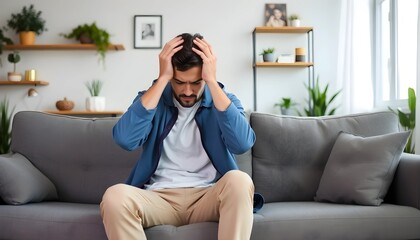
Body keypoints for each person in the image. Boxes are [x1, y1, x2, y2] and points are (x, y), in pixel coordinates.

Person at [100, 33, 258, 240]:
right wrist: (163, 78)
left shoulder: (224, 101)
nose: (187, 91)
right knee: (114, 196)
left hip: (207, 196)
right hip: (158, 198)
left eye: (196, 82)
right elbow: (125, 139)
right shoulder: (153, 99)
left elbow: (242, 143)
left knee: (240, 181)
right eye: (179, 82)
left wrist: (211, 81)